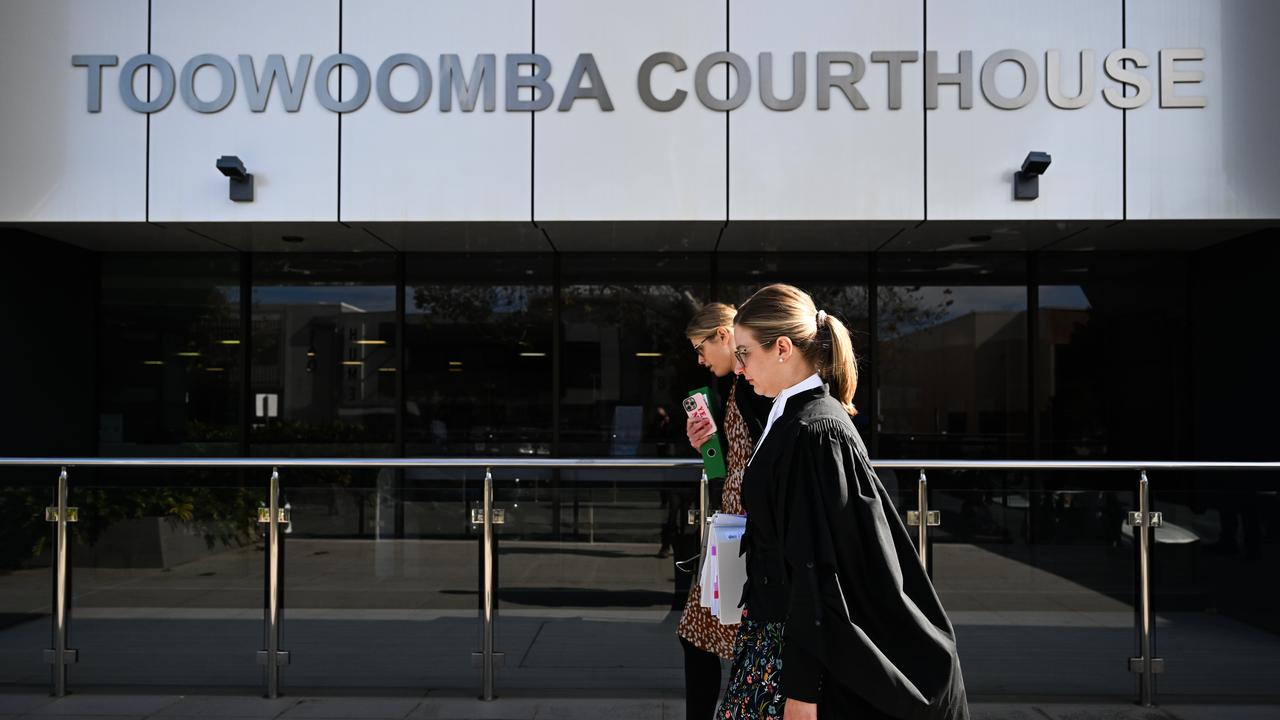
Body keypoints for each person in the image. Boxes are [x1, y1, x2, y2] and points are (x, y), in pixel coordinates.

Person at [718, 284, 969, 720]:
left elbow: (816, 569)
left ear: (782, 348)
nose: (738, 368)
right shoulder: (795, 416)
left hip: (794, 658)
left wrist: (802, 692)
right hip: (774, 642)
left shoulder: (814, 431)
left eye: (744, 354)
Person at [676, 302, 771, 720]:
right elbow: (742, 459)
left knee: (723, 640)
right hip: (735, 528)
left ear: (723, 334)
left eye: (701, 347)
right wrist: (708, 446)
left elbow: (765, 458)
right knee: (705, 637)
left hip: (746, 533)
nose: (700, 359)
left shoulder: (752, 385)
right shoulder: (741, 385)